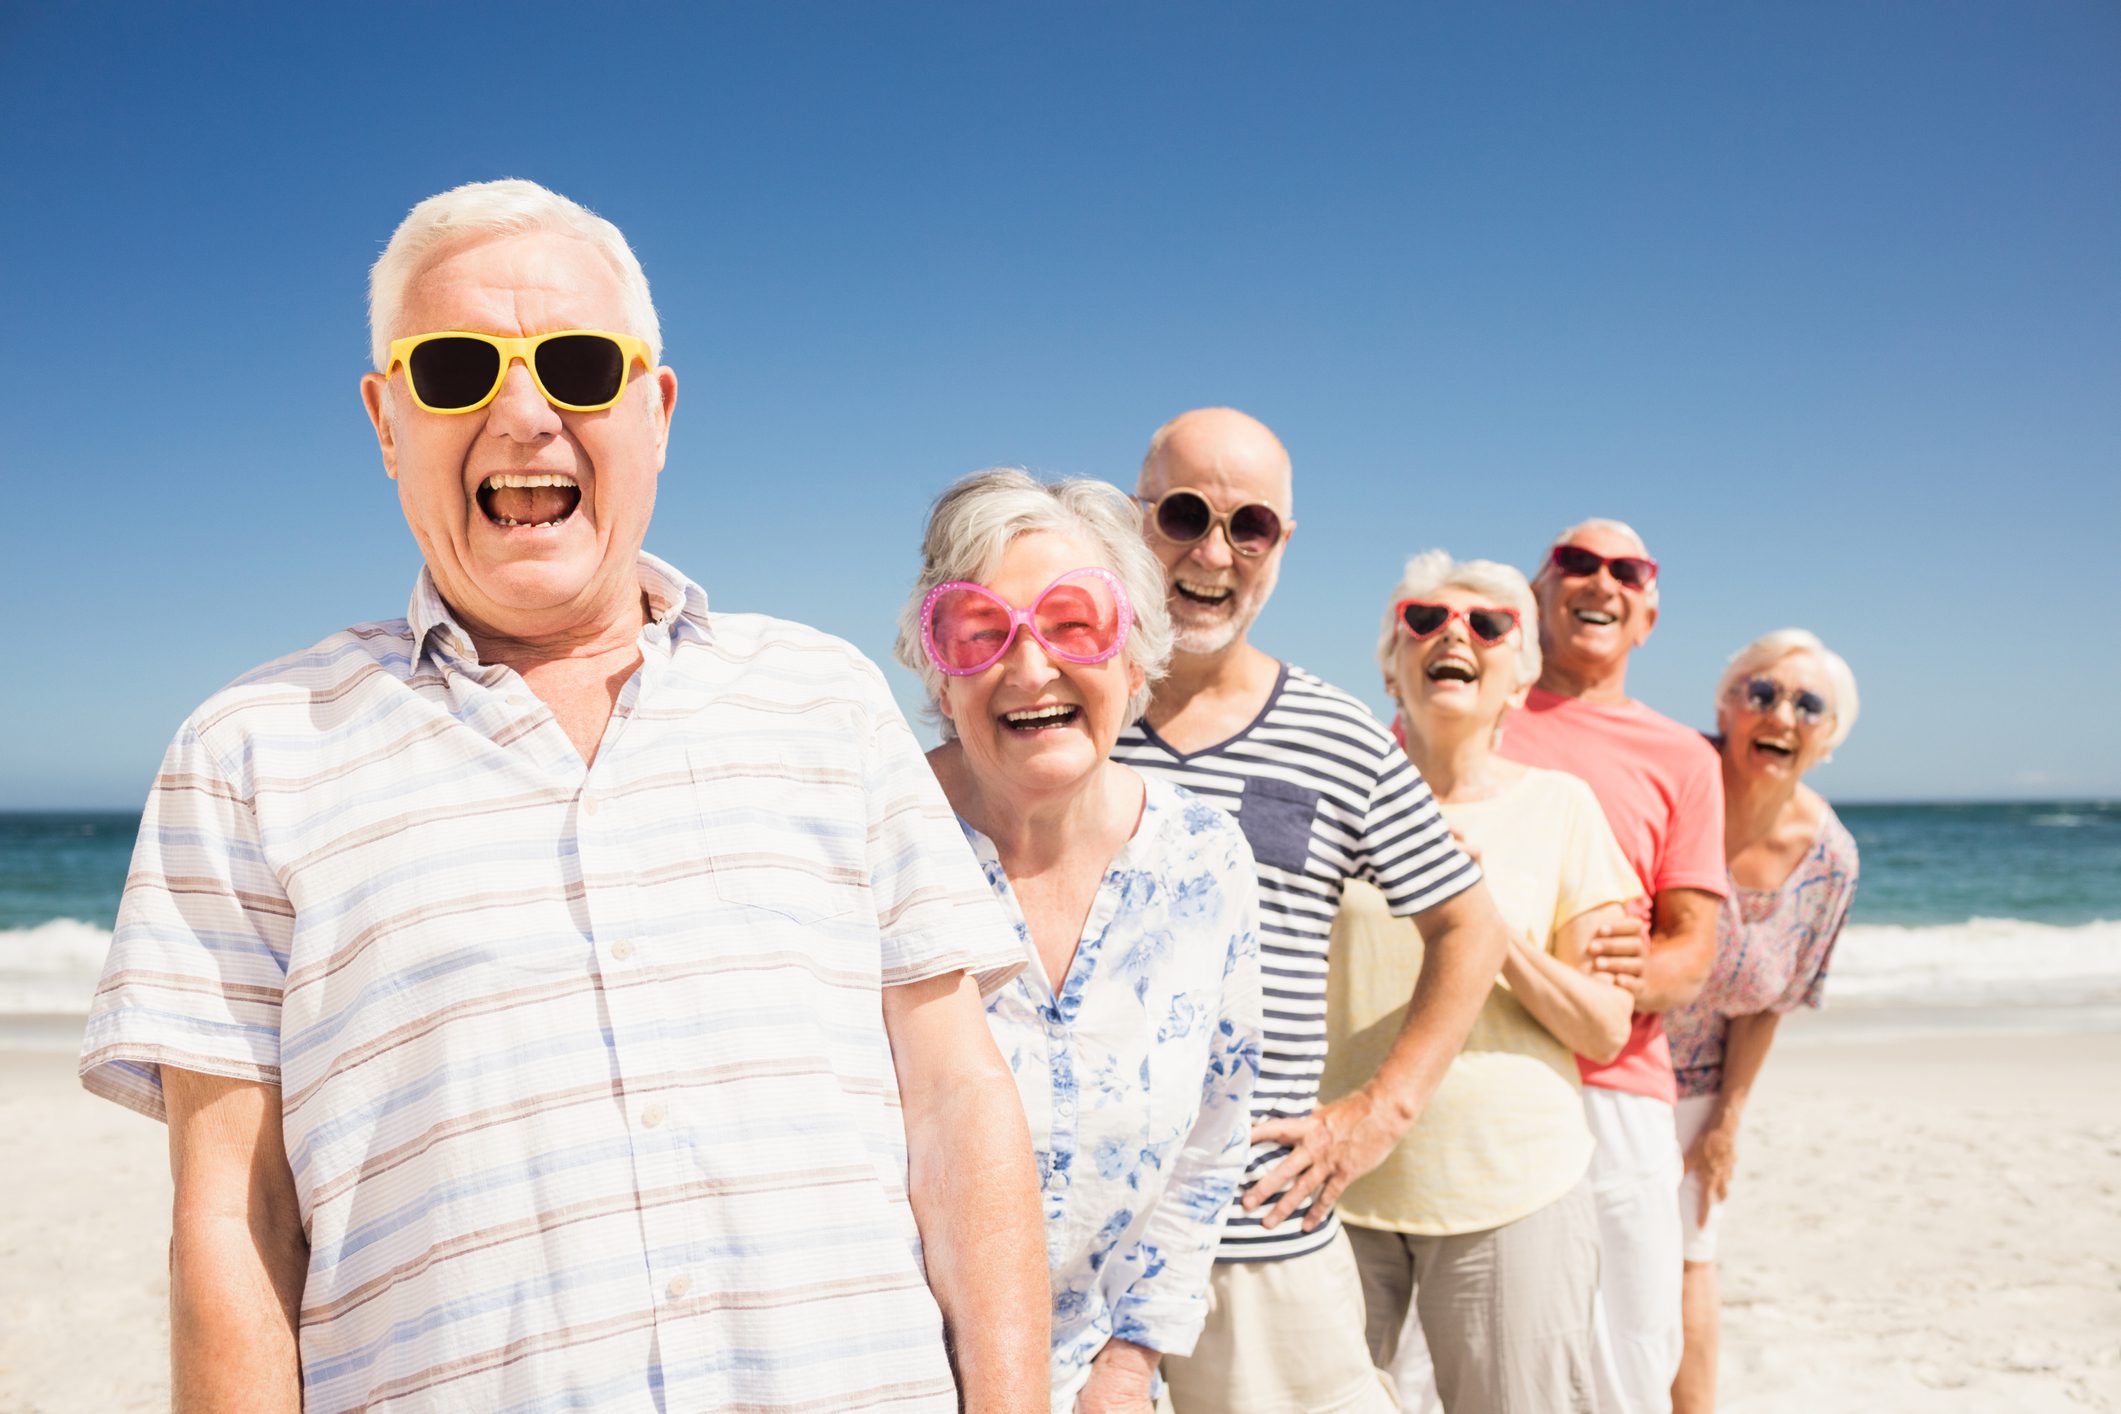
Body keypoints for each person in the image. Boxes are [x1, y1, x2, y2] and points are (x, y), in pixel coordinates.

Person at [76, 179, 1048, 1414]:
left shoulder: (824, 697)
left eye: (582, 365)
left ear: (656, 408)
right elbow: (232, 1220)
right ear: (385, 420)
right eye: (455, 369)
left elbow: (958, 1103)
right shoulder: (249, 753)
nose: (524, 412)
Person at [1110, 408, 1511, 1413]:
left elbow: (1470, 926)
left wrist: (1380, 1114)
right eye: (1185, 514)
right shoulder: (1065, 707)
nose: (1213, 552)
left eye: (1249, 526)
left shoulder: (1340, 736)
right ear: (1133, 519)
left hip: (1258, 1243)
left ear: (1281, 545)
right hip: (1073, 1245)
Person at [893, 469, 1264, 1413]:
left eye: (1073, 624)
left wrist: (1130, 1362)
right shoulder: (871, 849)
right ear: (937, 666)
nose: (1028, 670)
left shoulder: (1203, 861)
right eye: (980, 630)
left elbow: (1213, 1139)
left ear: (1137, 656)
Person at [1325, 551, 1644, 1413]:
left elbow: (1603, 1027)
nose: (1452, 636)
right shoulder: (1335, 803)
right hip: (1336, 1182)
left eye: (1488, 625)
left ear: (1521, 675)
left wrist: (1476, 917)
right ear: (1391, 665)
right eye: (1422, 621)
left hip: (1512, 1186)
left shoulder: (1564, 809)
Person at [1494, 518, 1729, 1414]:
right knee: (1464, 1356)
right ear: (1540, 593)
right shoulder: (1475, 709)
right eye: (1577, 565)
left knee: (1628, 1357)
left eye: (1625, 570)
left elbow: (1691, 951)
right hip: (1483, 1069)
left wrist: (1596, 982)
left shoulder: (1682, 757)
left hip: (1621, 1084)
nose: (1601, 581)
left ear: (1648, 615)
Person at [1664, 631, 1861, 1414]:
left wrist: (1725, 1124)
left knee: (1690, 1260)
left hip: (1700, 1087)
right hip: (1598, 1062)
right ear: (1725, 704)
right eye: (1762, 693)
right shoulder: (1672, 780)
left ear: (1828, 736)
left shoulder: (1830, 861)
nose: (1782, 714)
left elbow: (1770, 1003)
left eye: (1808, 705)